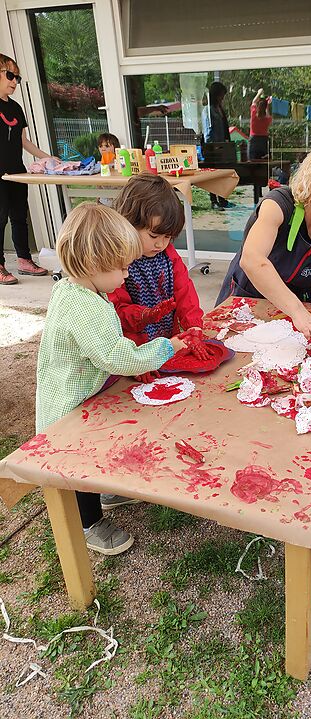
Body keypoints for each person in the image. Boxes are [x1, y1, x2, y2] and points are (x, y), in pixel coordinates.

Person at [36, 203, 187, 554]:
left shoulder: (77, 289)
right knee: (76, 466)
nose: (126, 275)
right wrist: (166, 348)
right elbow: (116, 356)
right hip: (66, 406)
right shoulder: (85, 306)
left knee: (94, 453)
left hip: (80, 390)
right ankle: (89, 522)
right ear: (93, 264)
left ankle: (104, 492)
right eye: (121, 267)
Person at [216, 137, 311, 347]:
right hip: (246, 306)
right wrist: (299, 312)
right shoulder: (278, 205)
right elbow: (251, 260)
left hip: (295, 315)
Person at [109, 173, 207, 373]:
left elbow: (184, 292)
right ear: (127, 224)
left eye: (168, 237)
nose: (161, 244)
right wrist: (146, 316)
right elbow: (116, 313)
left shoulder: (167, 255)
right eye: (153, 235)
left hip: (165, 340)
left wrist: (193, 326)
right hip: (133, 348)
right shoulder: (116, 264)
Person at [0, 53, 51, 285]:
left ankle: (23, 260)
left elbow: (24, 141)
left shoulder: (16, 108)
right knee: (0, 218)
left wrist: (49, 157)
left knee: (20, 216)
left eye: (17, 78)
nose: (14, 82)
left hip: (17, 171)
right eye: (10, 75)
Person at [203, 81, 233, 210]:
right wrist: (211, 145)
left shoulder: (219, 109)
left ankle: (223, 199)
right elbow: (207, 129)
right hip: (213, 148)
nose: (222, 98)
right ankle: (213, 200)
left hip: (222, 147)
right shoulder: (208, 110)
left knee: (222, 174)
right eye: (221, 95)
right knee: (213, 175)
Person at [97, 132, 120, 206]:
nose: (103, 149)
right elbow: (98, 186)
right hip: (104, 201)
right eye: (100, 146)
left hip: (119, 201)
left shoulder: (119, 163)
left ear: (115, 147)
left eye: (107, 146)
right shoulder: (98, 165)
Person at [248, 88, 272, 160]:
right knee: (263, 163)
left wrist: (259, 93)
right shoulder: (268, 119)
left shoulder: (254, 114)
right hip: (263, 141)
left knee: (252, 162)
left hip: (253, 139)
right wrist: (267, 104)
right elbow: (267, 113)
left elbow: (254, 101)